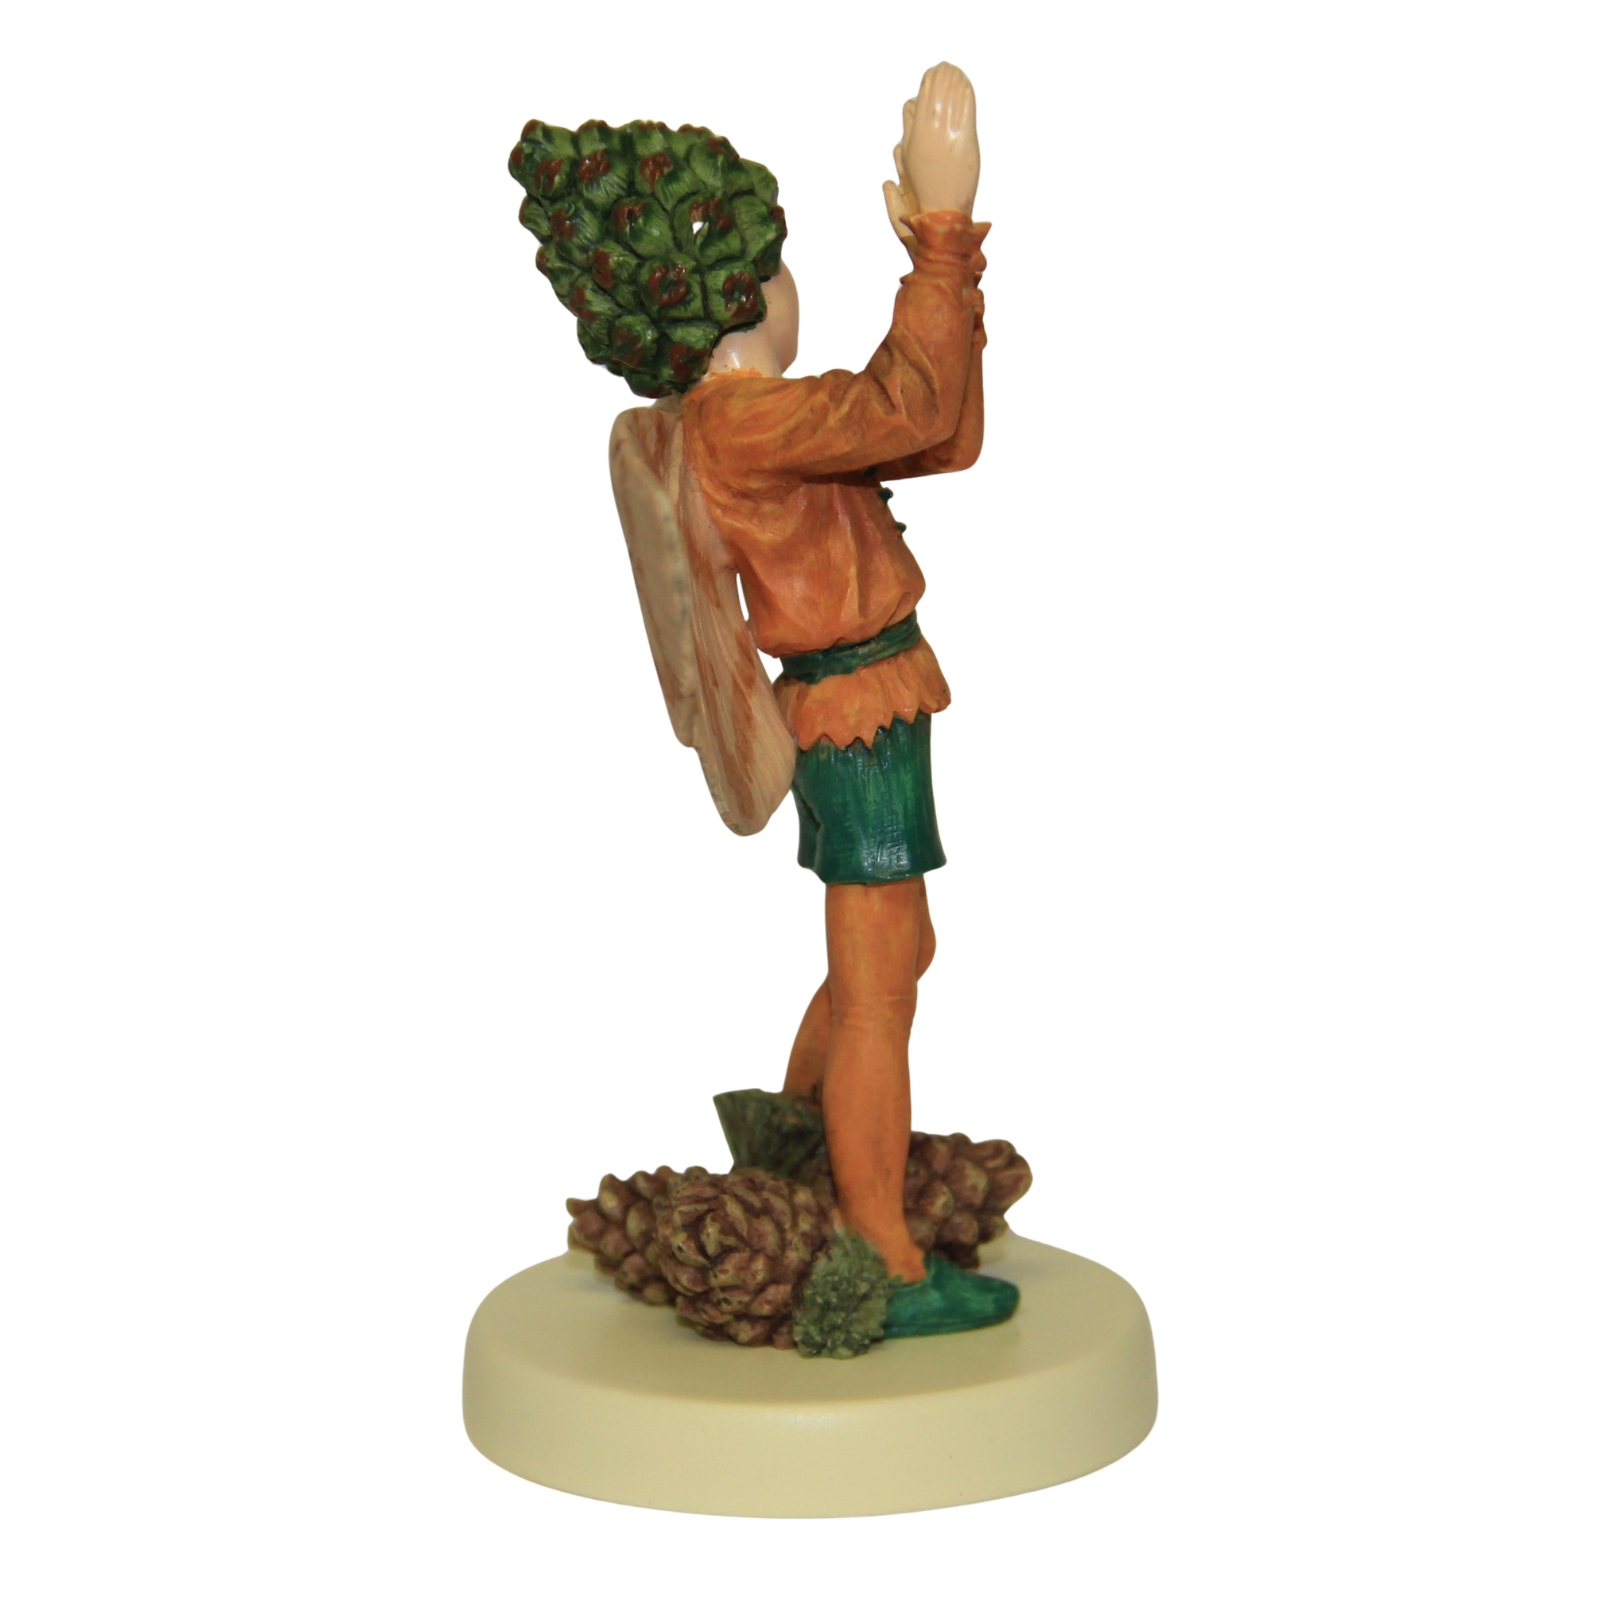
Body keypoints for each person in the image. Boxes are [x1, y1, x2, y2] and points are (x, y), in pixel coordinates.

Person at [511, 65, 1015, 1335]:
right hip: (854, 718)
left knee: (889, 959)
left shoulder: (765, 425)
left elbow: (936, 431)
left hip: (870, 706)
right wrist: (943, 236)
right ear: (743, 290)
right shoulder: (749, 424)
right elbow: (909, 399)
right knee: (880, 985)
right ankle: (881, 1250)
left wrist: (951, 280)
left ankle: (802, 1148)